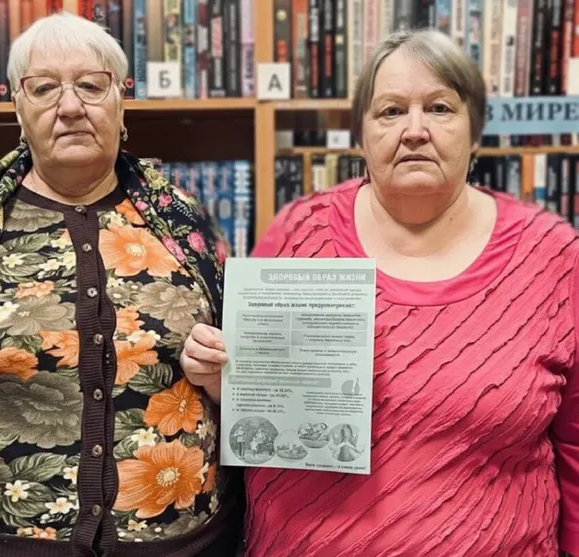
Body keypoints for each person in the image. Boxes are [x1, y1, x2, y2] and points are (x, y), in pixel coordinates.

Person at [181, 28, 579, 557]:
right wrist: (222, 378)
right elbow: (258, 404)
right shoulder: (298, 233)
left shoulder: (553, 256)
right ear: (361, 136)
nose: (414, 131)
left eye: (439, 108)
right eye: (390, 111)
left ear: (475, 132)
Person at [0, 12, 242, 557]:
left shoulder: (188, 227)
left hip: (181, 543)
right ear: (18, 109)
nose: (70, 106)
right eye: (44, 88)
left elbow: (249, 378)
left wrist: (221, 379)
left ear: (121, 102)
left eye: (91, 85)